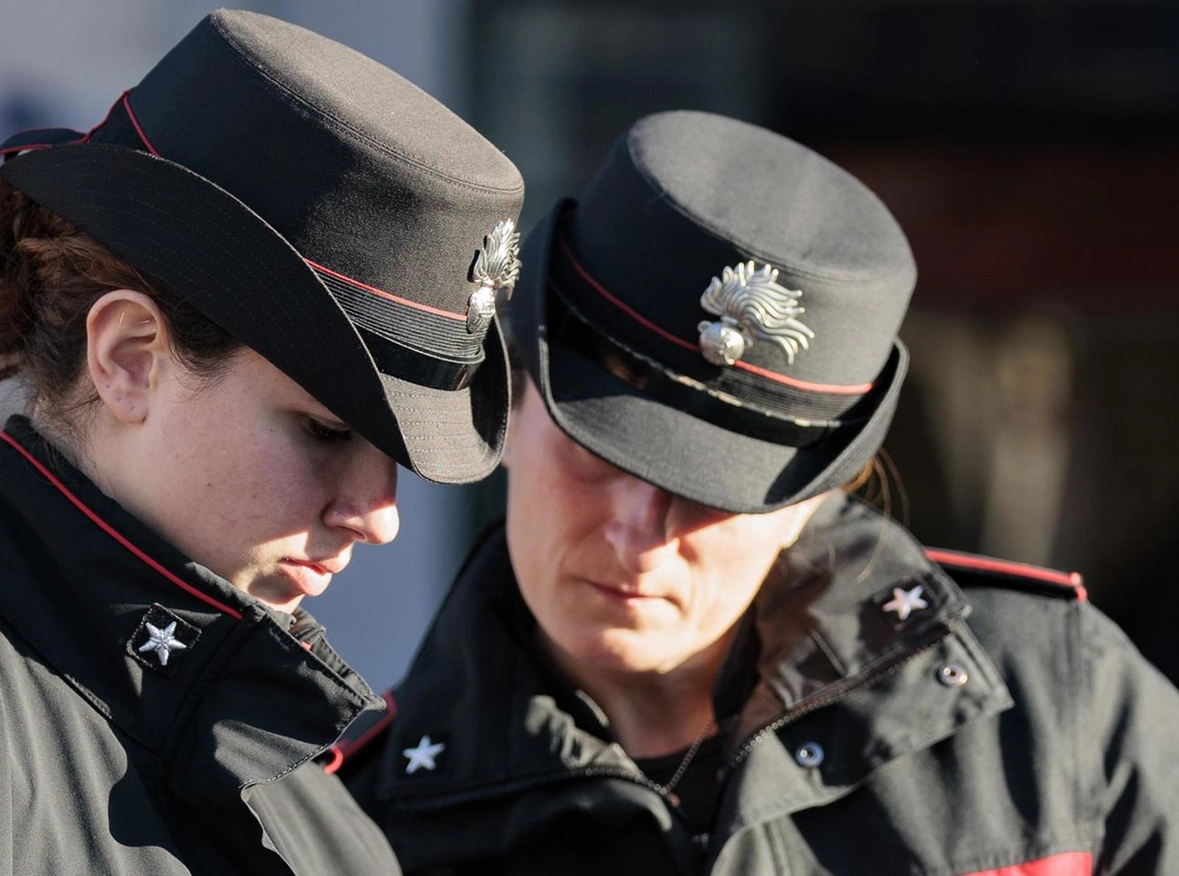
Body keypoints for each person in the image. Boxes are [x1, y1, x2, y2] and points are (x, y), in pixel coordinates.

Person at [0, 10, 523, 875]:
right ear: (129, 360)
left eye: (399, 462)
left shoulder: (325, 818)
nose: (378, 516)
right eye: (326, 430)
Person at [339, 111, 1179, 875]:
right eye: (595, 450)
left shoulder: (1060, 711)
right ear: (509, 407)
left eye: (710, 490)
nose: (638, 533)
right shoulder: (354, 832)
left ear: (817, 497)